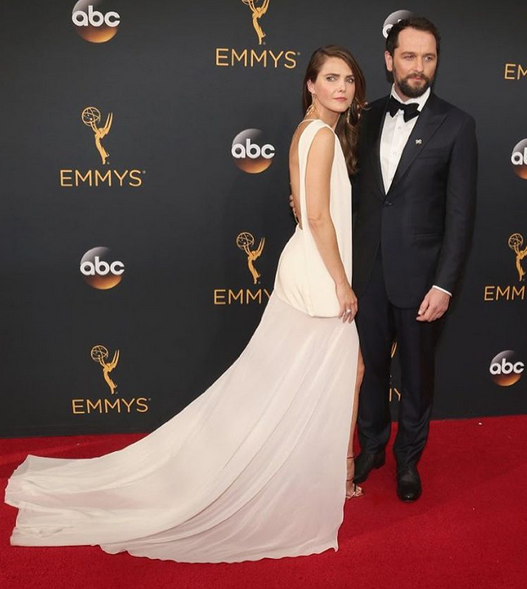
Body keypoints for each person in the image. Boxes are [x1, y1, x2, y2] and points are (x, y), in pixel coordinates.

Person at [5, 46, 366, 563]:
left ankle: (324, 472)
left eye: (349, 79)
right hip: (319, 274)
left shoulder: (307, 131)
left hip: (306, 265)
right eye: (331, 78)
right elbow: (318, 217)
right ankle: (334, 476)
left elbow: (306, 207)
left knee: (307, 376)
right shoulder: (323, 136)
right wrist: (342, 282)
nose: (342, 88)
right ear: (310, 84)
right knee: (337, 372)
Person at [352, 17, 477, 502]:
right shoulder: (362, 117)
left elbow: (461, 214)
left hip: (423, 280)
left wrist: (444, 284)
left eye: (428, 57)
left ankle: (408, 459)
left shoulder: (457, 124)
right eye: (409, 56)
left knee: (417, 376)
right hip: (366, 273)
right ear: (389, 60)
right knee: (369, 371)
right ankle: (371, 447)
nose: (419, 67)